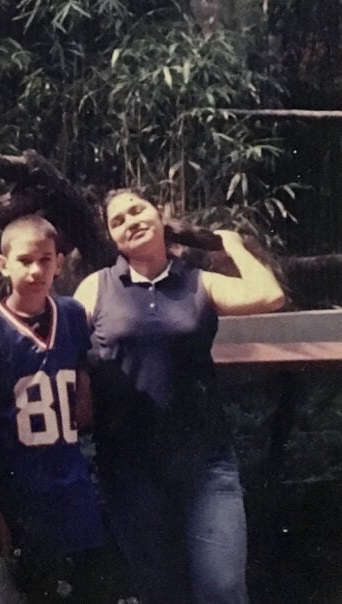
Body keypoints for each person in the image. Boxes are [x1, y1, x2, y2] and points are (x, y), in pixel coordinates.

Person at [73, 188, 285, 604]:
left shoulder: (197, 283)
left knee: (221, 588)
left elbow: (269, 294)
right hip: (128, 467)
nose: (131, 221)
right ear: (112, 238)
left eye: (137, 210)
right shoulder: (96, 288)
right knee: (159, 590)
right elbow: (65, 344)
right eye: (118, 220)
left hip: (205, 462)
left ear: (160, 213)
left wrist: (233, 244)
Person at [0, 215, 108, 602]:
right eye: (25, 260)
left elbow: (83, 386)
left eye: (45, 259)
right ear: (3, 264)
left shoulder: (73, 315)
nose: (37, 269)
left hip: (72, 493)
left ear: (60, 262)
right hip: (19, 499)